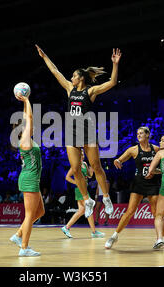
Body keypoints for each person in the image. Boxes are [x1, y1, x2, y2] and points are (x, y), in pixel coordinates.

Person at [36, 44, 120, 218]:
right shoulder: (69, 89)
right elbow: (55, 71)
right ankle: (87, 200)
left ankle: (106, 198)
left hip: (88, 132)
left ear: (81, 78)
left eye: (74, 75)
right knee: (75, 169)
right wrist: (44, 57)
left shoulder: (91, 91)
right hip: (72, 133)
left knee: (96, 167)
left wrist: (115, 64)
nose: (71, 77)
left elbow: (112, 82)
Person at [105, 127, 164, 249]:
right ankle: (114, 236)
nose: (138, 135)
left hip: (152, 184)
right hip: (138, 184)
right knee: (130, 211)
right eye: (137, 133)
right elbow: (120, 159)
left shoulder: (156, 149)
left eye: (141, 133)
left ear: (148, 135)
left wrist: (156, 171)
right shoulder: (133, 150)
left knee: (156, 213)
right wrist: (117, 161)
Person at [9, 92, 45, 257]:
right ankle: (24, 248)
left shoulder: (26, 138)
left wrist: (24, 102)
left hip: (32, 178)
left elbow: (26, 117)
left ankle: (18, 235)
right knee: (30, 214)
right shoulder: (24, 139)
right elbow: (29, 117)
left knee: (40, 212)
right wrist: (28, 99)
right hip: (29, 179)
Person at [61, 149, 105, 239]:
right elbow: (67, 177)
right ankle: (93, 232)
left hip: (85, 190)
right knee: (88, 208)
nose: (82, 155)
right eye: (80, 154)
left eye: (83, 154)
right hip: (80, 190)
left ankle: (66, 227)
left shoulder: (84, 164)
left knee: (81, 211)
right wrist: (76, 183)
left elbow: (88, 176)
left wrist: (91, 171)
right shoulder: (75, 164)